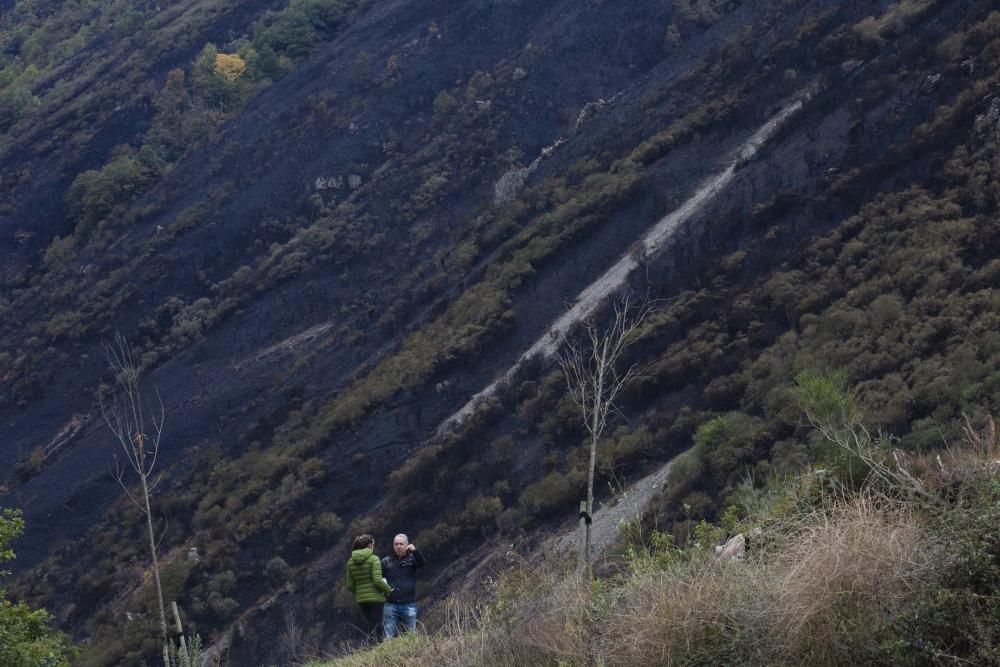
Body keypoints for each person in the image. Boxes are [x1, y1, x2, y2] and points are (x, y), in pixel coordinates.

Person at [346, 534, 391, 642]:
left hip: (362, 600)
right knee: (377, 625)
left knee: (372, 623)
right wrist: (388, 590)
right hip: (376, 598)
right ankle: (375, 647)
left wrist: (359, 593)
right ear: (370, 545)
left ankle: (377, 647)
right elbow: (377, 580)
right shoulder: (373, 559)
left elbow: (350, 585)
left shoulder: (350, 562)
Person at [381, 533, 426, 638]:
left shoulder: (412, 559)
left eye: (401, 544)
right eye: (396, 544)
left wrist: (415, 551)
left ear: (407, 545)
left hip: (408, 604)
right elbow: (379, 579)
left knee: (410, 636)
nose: (398, 546)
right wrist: (384, 591)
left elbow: (422, 563)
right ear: (393, 546)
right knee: (389, 637)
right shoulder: (385, 561)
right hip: (390, 605)